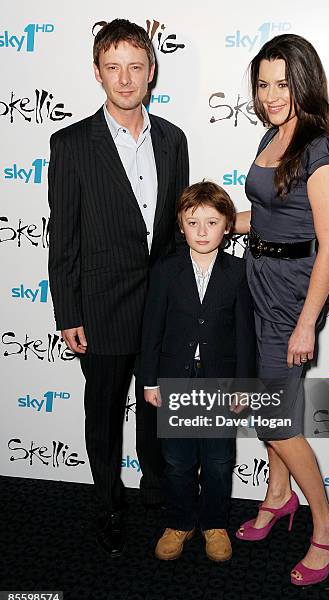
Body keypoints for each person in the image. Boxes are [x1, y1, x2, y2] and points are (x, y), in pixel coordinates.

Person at [47, 19, 189, 557]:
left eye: (135, 67)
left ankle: (158, 497)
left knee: (156, 411)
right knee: (103, 417)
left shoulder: (174, 139)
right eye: (113, 68)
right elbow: (64, 236)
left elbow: (177, 232)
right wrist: (68, 311)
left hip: (160, 307)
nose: (125, 79)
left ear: (151, 72)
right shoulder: (71, 143)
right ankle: (107, 503)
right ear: (97, 73)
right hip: (100, 307)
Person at [234, 34, 329, 586]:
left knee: (271, 416)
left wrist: (307, 322)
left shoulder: (320, 151)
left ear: (304, 82)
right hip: (256, 279)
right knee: (278, 402)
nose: (271, 94)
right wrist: (213, 220)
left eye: (282, 83)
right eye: (263, 83)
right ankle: (278, 495)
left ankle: (326, 526)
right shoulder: (272, 135)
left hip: (291, 296)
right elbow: (267, 214)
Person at [141, 182, 256, 562]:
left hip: (221, 381)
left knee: (219, 459)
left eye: (212, 222)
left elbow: (244, 336)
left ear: (228, 226)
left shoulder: (239, 272)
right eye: (194, 222)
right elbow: (152, 327)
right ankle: (179, 522)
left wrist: (242, 385)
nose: (202, 231)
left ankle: (214, 524)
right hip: (176, 377)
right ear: (181, 226)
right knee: (178, 460)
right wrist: (149, 379)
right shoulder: (166, 270)